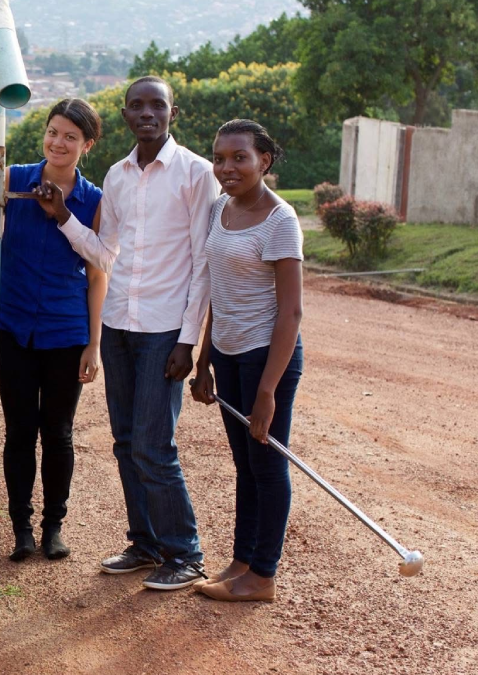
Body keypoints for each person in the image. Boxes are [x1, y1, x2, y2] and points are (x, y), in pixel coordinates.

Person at [56, 76, 218, 590]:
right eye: (137, 105)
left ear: (173, 111)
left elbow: (203, 264)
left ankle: (185, 552)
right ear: (125, 113)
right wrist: (63, 217)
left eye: (157, 105)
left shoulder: (197, 174)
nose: (147, 113)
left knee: (154, 445)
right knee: (126, 442)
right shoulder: (117, 176)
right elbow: (106, 254)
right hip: (120, 324)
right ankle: (146, 544)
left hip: (163, 330)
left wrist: (188, 341)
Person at [0, 98, 106, 562]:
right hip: (10, 328)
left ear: (87, 145)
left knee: (58, 432)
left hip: (65, 331)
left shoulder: (93, 200)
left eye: (70, 136)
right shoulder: (13, 178)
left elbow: (98, 272)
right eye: (53, 132)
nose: (58, 142)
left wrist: (94, 344)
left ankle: (54, 526)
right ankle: (21, 529)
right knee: (18, 430)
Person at [191, 119, 303, 603]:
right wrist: (204, 360)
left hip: (267, 360)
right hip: (230, 354)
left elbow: (292, 311)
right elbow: (219, 291)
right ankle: (242, 560)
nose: (227, 167)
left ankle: (263, 575)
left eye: (240, 157)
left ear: (265, 161)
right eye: (219, 158)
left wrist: (267, 392)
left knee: (268, 464)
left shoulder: (281, 220)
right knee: (245, 464)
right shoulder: (220, 209)